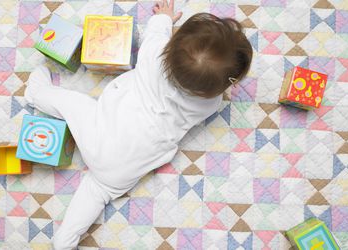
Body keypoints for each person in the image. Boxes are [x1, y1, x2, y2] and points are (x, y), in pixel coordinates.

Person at [24, 0, 253, 249]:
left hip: (101, 132)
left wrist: (164, 18)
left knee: (75, 105)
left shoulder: (154, 54)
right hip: (127, 167)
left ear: (171, 47)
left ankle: (36, 94)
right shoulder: (211, 103)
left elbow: (156, 31)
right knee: (96, 192)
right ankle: (65, 240)